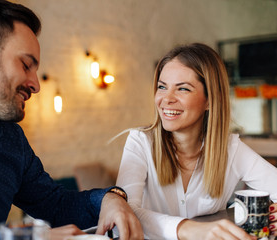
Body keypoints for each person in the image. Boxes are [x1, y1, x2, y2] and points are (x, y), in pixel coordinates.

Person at [0, 1, 143, 239]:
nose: (35, 85)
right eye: (26, 65)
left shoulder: (11, 140)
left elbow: (56, 205)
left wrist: (109, 199)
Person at [115, 43, 277, 239]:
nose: (166, 99)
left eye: (182, 89)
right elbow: (125, 213)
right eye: (162, 87)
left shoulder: (230, 149)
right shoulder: (140, 142)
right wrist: (187, 228)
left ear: (210, 100)